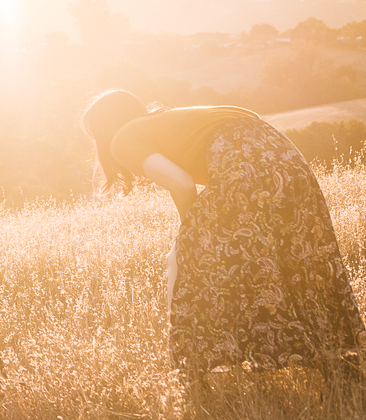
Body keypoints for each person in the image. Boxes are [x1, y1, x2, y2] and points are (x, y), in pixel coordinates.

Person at [80, 89, 365, 387]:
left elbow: (181, 183)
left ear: (104, 129)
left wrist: (188, 233)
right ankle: (338, 366)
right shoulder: (170, 122)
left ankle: (191, 371)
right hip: (287, 160)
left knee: (183, 259)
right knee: (297, 262)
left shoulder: (123, 138)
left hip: (244, 168)